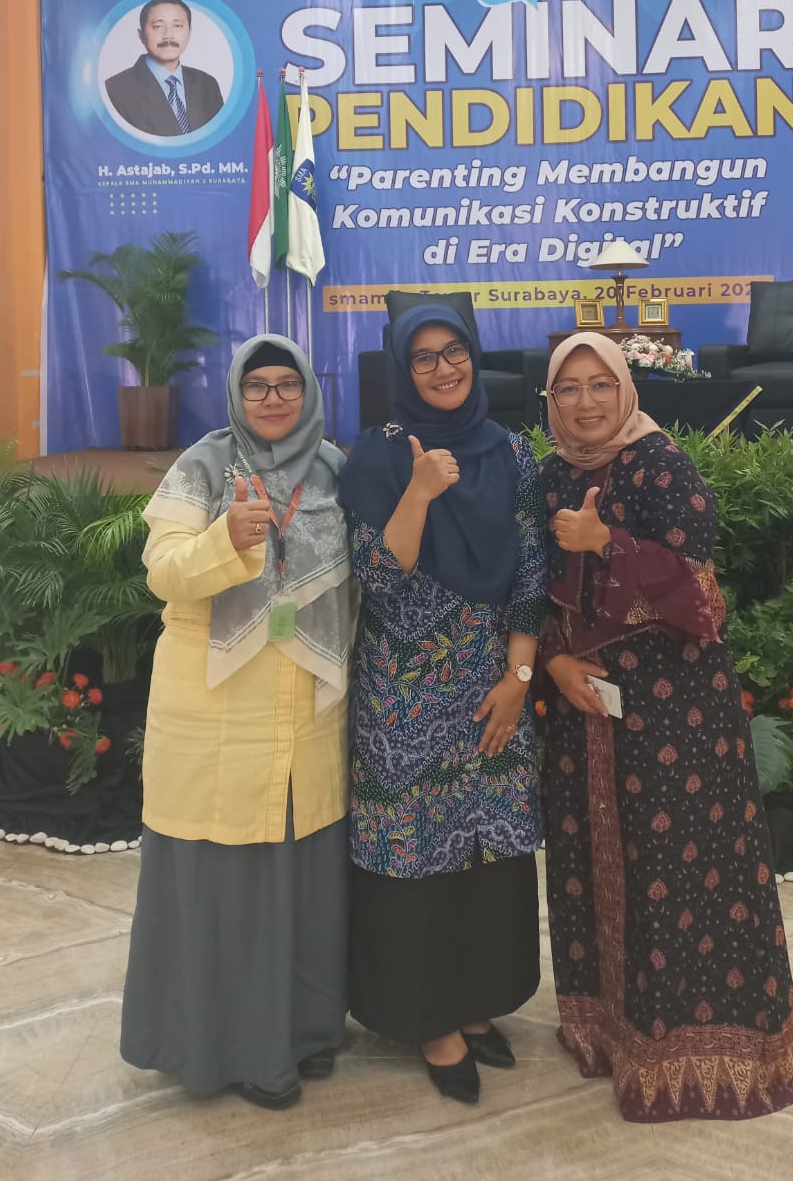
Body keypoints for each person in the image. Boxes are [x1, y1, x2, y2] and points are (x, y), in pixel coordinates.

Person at [538, 333, 793, 1122]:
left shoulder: (662, 466)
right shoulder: (550, 476)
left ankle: (701, 1054)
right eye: (568, 388)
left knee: (683, 871)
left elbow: (700, 593)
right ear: (549, 401)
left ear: (626, 389)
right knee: (592, 861)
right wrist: (554, 661)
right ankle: (606, 1031)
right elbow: (528, 586)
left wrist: (606, 544)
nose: (586, 403)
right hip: (585, 705)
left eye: (600, 385)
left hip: (675, 712)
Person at [120, 335, 353, 1110]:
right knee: (224, 887)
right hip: (216, 709)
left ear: (309, 391)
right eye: (258, 386)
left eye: (288, 384)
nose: (274, 398)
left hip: (306, 706)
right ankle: (226, 1051)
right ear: (235, 394)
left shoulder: (334, 468)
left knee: (301, 882)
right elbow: (163, 570)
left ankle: (305, 1036)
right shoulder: (203, 466)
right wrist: (227, 538)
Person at [338, 305, 547, 1106]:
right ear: (403, 369)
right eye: (422, 357)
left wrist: (519, 678)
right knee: (415, 854)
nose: (442, 368)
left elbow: (531, 571)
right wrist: (420, 493)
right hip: (406, 695)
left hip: (492, 684)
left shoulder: (511, 453)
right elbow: (377, 575)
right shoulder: (377, 455)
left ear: (474, 355)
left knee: (489, 852)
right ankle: (429, 1019)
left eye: (453, 351)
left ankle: (477, 998)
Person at [105, 0, 224, 137]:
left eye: (177, 26)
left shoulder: (208, 84)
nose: (168, 36)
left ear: (189, 32)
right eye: (158, 26)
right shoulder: (115, 90)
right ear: (141, 35)